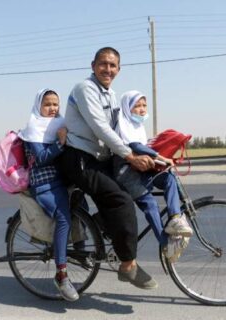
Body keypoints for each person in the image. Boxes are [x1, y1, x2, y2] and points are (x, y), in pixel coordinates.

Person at [58, 47, 158, 290]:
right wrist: (131, 156)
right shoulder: (85, 89)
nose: (108, 69)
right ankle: (127, 265)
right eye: (103, 64)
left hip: (98, 159)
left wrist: (148, 150)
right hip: (79, 158)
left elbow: (120, 129)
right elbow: (101, 129)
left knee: (125, 190)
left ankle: (99, 225)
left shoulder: (111, 95)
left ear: (119, 70)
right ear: (93, 65)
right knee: (121, 200)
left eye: (113, 66)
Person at [114, 90, 193, 262]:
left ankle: (175, 218)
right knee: (150, 203)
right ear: (127, 108)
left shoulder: (137, 127)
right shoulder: (123, 124)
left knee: (169, 177)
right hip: (126, 173)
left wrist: (163, 161)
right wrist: (162, 158)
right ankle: (165, 244)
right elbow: (135, 146)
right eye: (137, 106)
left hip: (140, 170)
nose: (142, 110)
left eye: (144, 105)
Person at [18, 88, 79, 302]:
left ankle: (81, 251)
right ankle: (61, 274)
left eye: (55, 104)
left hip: (61, 179)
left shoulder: (60, 123)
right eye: (47, 104)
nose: (52, 108)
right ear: (39, 106)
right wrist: (59, 141)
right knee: (63, 218)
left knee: (82, 205)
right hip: (44, 183)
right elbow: (42, 158)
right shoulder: (33, 128)